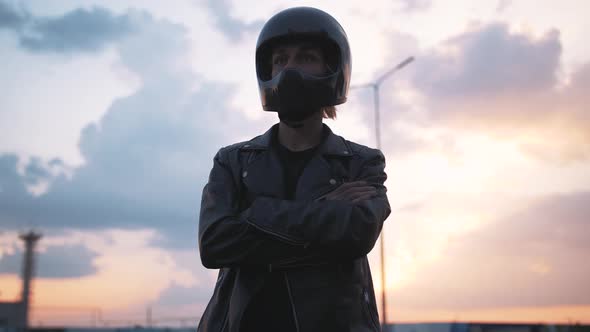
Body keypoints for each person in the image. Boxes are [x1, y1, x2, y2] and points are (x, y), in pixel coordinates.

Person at [198, 6, 391, 332]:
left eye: (306, 57)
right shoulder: (231, 161)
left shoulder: (361, 162)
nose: (290, 69)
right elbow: (215, 244)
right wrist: (322, 212)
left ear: (332, 68)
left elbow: (357, 233)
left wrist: (253, 216)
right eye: (280, 59)